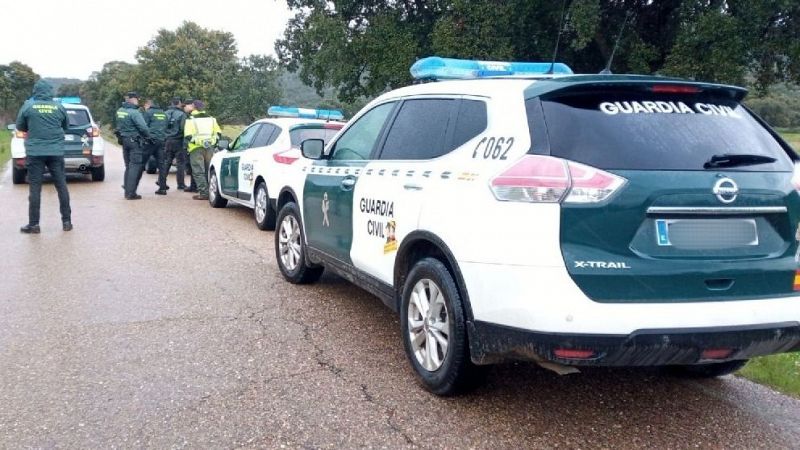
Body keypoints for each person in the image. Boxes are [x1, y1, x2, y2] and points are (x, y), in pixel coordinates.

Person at [15, 79, 72, 233]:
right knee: (61, 186)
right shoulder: (59, 107)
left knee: (35, 189)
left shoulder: (28, 106)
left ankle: (34, 225)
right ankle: (66, 222)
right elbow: (66, 126)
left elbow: (20, 126)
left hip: (35, 153)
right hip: (56, 152)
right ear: (50, 91)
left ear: (36, 91)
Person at [115, 92, 151, 200]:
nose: (138, 101)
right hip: (134, 141)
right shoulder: (134, 112)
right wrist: (148, 137)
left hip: (124, 140)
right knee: (135, 166)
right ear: (133, 99)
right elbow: (143, 128)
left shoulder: (120, 111)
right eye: (137, 99)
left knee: (128, 166)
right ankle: (131, 193)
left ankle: (127, 189)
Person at [183, 99, 221, 200]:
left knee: (198, 171)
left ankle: (203, 193)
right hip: (209, 148)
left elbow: (188, 136)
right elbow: (218, 134)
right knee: (209, 169)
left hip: (196, 148)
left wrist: (199, 142)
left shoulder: (190, 120)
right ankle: (211, 191)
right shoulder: (212, 119)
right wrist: (210, 142)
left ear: (194, 107)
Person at [142, 99, 168, 195]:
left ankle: (131, 187)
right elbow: (166, 126)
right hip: (161, 141)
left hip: (150, 141)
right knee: (162, 165)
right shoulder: (164, 114)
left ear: (148, 105)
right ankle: (163, 188)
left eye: (145, 106)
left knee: (140, 163)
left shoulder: (148, 113)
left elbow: (143, 127)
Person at [162, 97, 187, 191]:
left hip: (167, 140)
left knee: (167, 161)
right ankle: (180, 184)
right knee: (180, 163)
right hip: (178, 140)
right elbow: (183, 128)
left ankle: (162, 181)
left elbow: (162, 126)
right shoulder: (182, 114)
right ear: (179, 103)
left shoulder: (165, 113)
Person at [182, 98, 197, 193]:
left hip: (193, 144)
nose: (184, 108)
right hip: (192, 144)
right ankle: (193, 186)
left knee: (194, 167)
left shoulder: (192, 117)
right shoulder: (190, 115)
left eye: (185, 106)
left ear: (191, 105)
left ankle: (195, 187)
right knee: (191, 167)